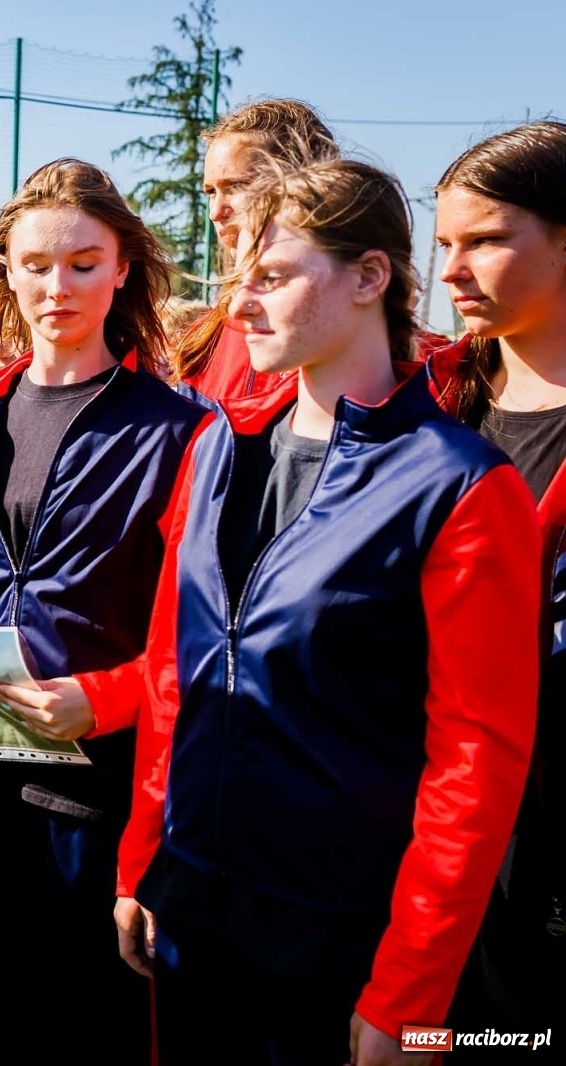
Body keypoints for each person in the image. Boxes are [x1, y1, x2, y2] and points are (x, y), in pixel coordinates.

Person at [115, 158, 540, 1066]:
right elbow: (171, 673)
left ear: (369, 276)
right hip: (191, 909)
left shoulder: (460, 484)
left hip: (343, 940)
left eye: (271, 278)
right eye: (240, 281)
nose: (239, 308)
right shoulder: (217, 446)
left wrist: (410, 994)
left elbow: (477, 762)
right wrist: (144, 860)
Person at [0, 158, 206, 1064]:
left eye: (84, 263)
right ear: (6, 273)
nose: (57, 287)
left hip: (101, 789)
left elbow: (207, 639)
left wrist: (106, 697)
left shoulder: (180, 429)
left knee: (99, 1026)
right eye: (36, 265)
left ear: (123, 269)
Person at [427, 120, 566, 1038]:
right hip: (440, 808)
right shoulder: (430, 402)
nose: (451, 271)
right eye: (444, 244)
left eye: (485, 239)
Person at [173, 98, 341, 403]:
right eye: (211, 192)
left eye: (235, 187)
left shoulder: (354, 335)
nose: (216, 211)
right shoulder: (201, 342)